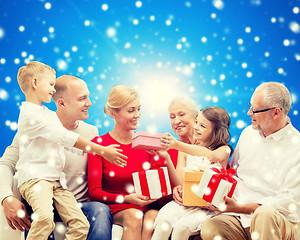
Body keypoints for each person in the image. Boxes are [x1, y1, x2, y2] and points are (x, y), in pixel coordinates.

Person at [4, 61, 127, 240]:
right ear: (61, 103)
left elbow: (86, 160)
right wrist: (7, 197)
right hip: (40, 198)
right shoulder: (34, 123)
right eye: (82, 98)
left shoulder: (91, 132)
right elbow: (7, 162)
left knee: (98, 211)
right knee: (43, 216)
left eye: (88, 97)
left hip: (70, 199)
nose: (90, 103)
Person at [200, 82, 300, 240]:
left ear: (276, 113)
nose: (248, 113)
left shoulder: (297, 147)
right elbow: (233, 172)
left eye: (254, 110)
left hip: (279, 221)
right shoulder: (248, 133)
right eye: (250, 106)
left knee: (264, 213)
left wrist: (242, 208)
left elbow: (287, 203)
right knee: (211, 227)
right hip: (241, 218)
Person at [88, 84, 163, 240]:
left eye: (138, 109)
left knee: (154, 217)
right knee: (134, 216)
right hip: (117, 207)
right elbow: (94, 192)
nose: (137, 115)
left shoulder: (146, 142)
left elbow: (158, 182)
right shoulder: (99, 144)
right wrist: (126, 198)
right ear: (112, 113)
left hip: (146, 207)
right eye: (131, 110)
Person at [152, 107, 231, 240]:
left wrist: (176, 144)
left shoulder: (223, 150)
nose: (196, 127)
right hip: (185, 204)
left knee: (181, 230)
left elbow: (211, 156)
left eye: (202, 125)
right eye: (196, 122)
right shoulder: (184, 149)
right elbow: (179, 182)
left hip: (206, 208)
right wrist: (167, 158)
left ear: (216, 131)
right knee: (163, 225)